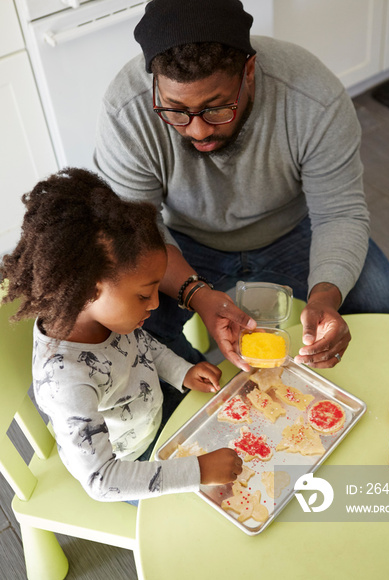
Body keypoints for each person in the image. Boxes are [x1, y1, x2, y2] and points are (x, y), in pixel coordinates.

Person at [94, 0, 389, 372]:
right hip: (182, 241)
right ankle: (208, 396)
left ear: (250, 71)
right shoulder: (127, 110)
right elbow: (137, 232)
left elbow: (339, 213)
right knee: (134, 329)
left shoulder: (312, 96)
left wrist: (325, 298)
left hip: (290, 230)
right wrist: (198, 294)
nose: (198, 129)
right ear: (155, 84)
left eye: (217, 107)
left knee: (379, 294)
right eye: (175, 110)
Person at [0, 168, 242, 502]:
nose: (156, 303)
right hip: (131, 463)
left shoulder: (104, 319)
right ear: (89, 289)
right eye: (144, 295)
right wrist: (198, 471)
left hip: (154, 410)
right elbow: (102, 480)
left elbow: (141, 348)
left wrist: (181, 371)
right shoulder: (65, 381)